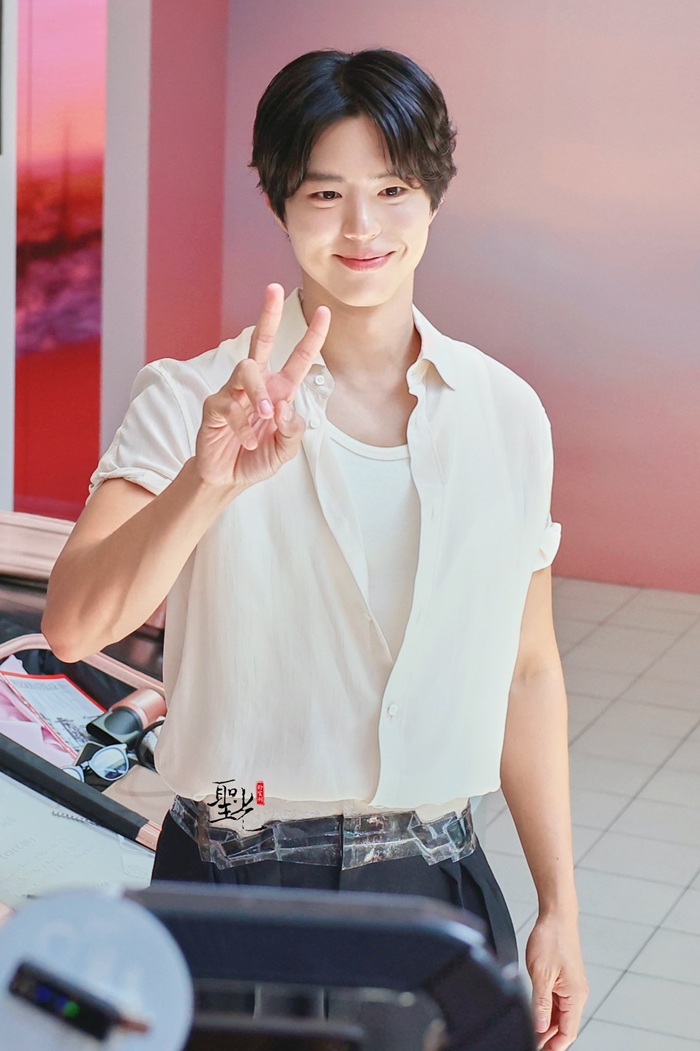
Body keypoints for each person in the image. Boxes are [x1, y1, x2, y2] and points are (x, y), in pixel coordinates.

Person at [43, 48, 588, 1050]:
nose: (361, 228)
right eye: (325, 194)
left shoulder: (506, 413)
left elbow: (528, 669)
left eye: (392, 189)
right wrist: (208, 480)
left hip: (439, 880)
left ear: (433, 196)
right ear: (281, 202)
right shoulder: (189, 395)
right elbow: (76, 626)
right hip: (233, 866)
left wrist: (559, 901)